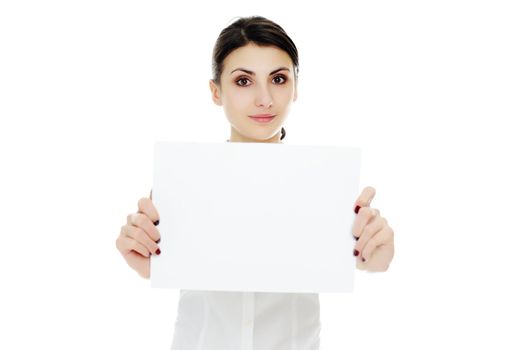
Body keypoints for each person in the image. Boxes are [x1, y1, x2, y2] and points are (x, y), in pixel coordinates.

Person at [116, 15, 395, 350]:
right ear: (216, 91)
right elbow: (167, 267)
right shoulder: (182, 182)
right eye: (243, 81)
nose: (265, 99)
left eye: (278, 79)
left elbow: (367, 262)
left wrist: (376, 252)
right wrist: (145, 257)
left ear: (296, 87)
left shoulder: (326, 186)